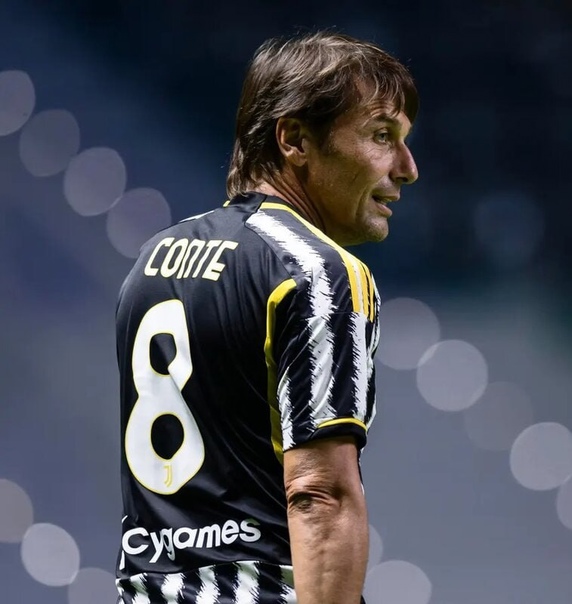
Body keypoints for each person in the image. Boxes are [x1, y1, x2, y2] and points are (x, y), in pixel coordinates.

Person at [115, 30, 418, 604]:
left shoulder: (151, 261)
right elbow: (320, 494)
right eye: (382, 136)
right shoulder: (319, 271)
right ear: (295, 139)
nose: (407, 168)